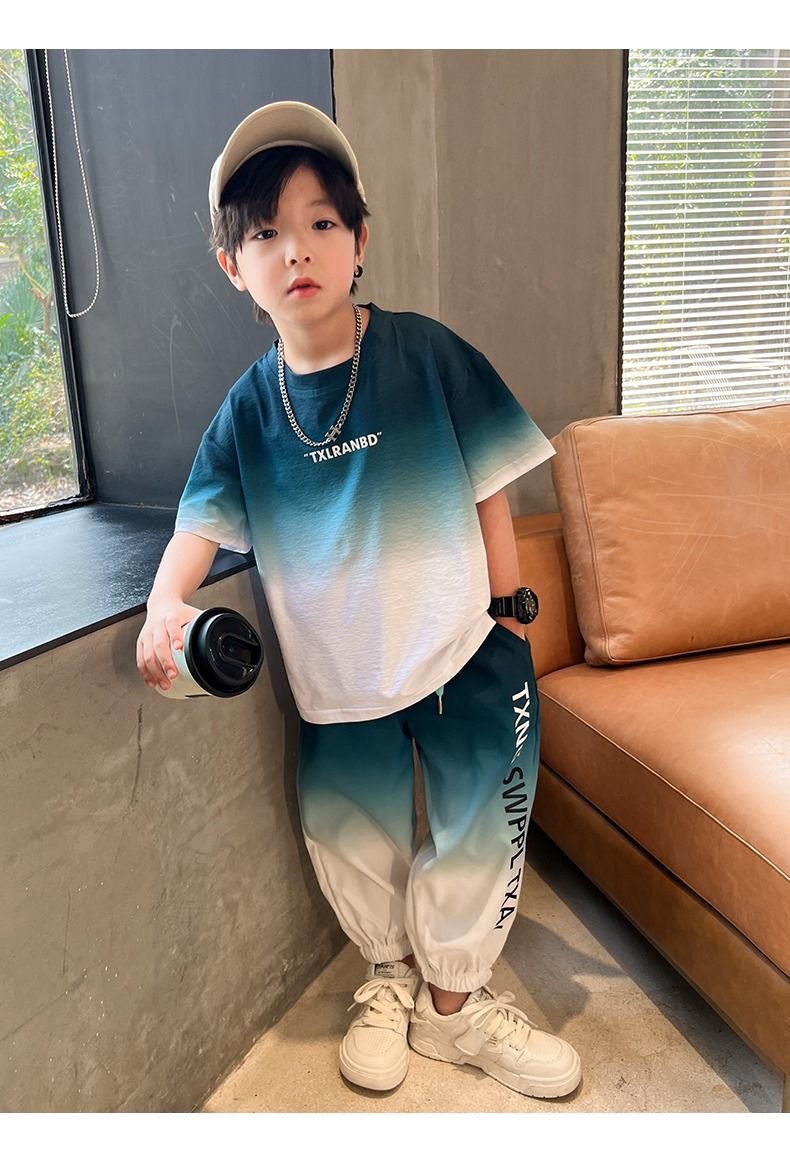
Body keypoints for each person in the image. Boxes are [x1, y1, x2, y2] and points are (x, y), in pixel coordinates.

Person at [136, 101, 581, 1101]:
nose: (296, 249)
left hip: (466, 647)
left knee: (481, 819)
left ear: (360, 239)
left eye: (321, 222)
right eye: (265, 233)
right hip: (336, 678)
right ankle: (389, 975)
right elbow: (198, 527)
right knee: (351, 828)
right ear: (234, 267)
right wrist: (164, 605)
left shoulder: (428, 354)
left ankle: (455, 1005)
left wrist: (507, 612)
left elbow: (489, 483)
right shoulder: (245, 412)